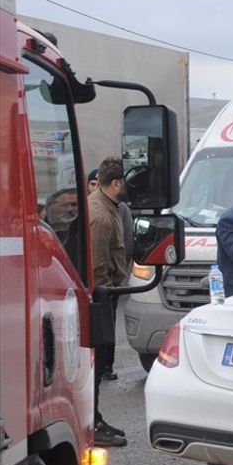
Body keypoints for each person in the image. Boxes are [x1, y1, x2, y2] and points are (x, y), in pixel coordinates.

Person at [88, 157, 130, 447]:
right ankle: (92, 424)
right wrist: (104, 303)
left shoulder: (109, 206)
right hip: (101, 298)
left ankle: (95, 418)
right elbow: (96, 269)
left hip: (107, 294)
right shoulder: (101, 216)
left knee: (99, 364)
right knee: (97, 363)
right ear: (116, 183)